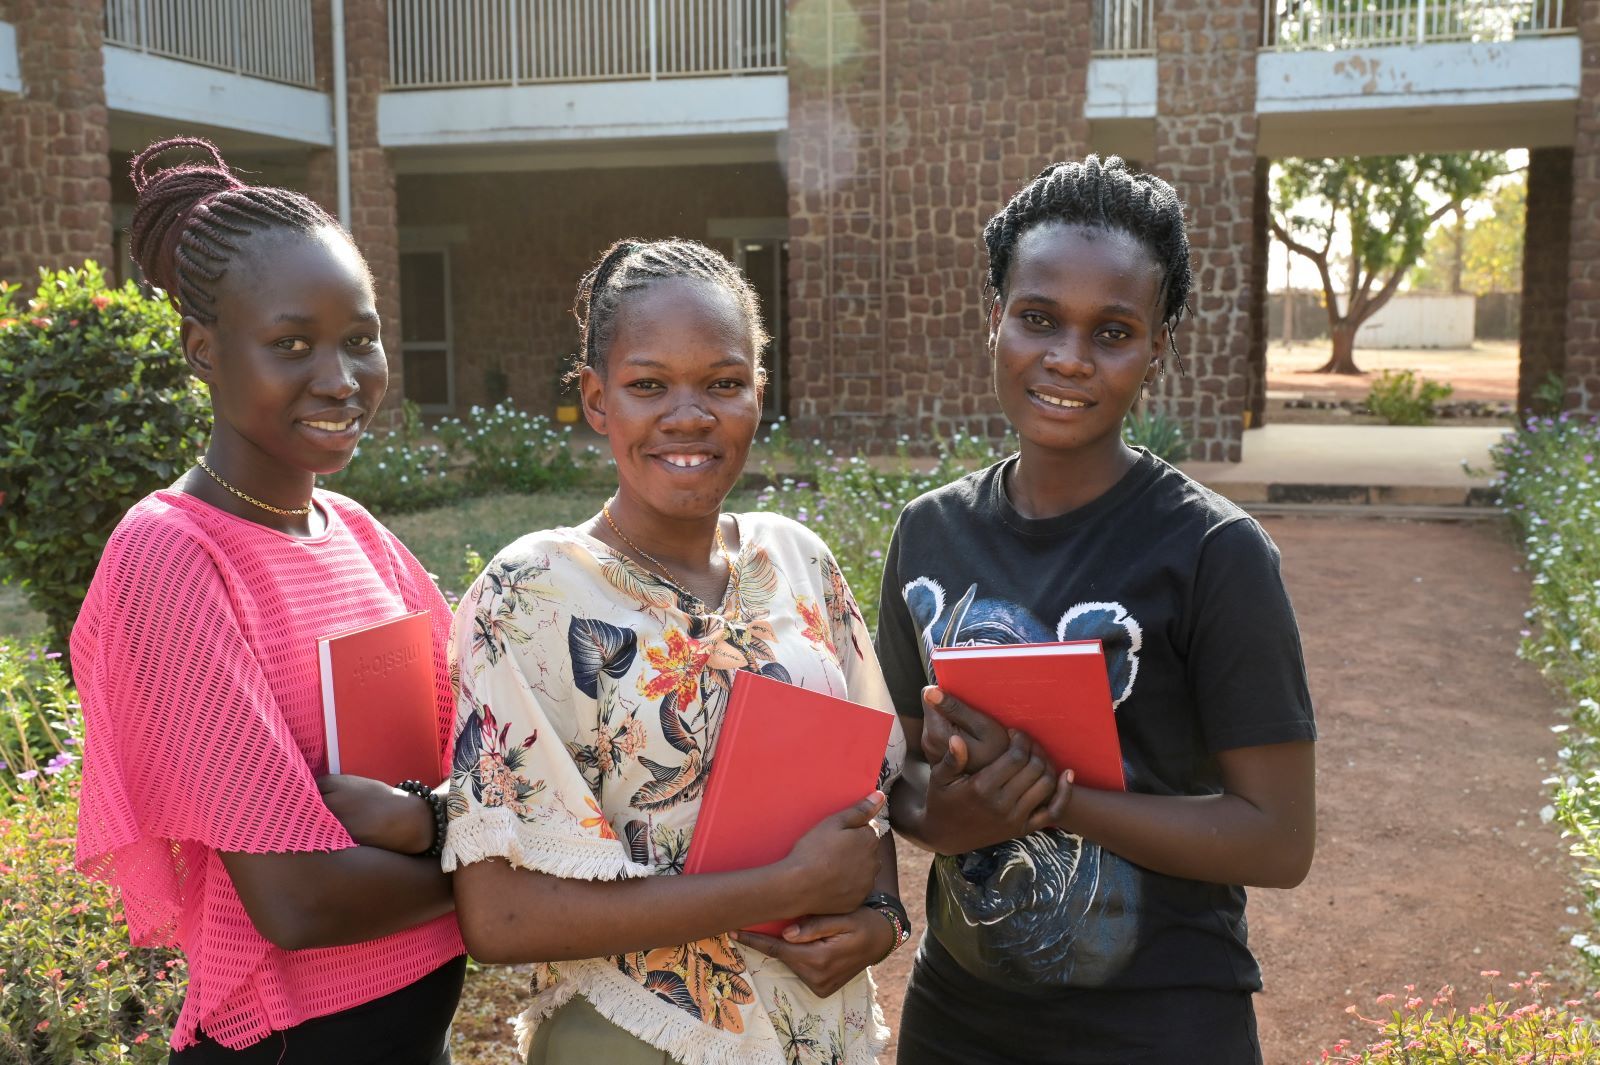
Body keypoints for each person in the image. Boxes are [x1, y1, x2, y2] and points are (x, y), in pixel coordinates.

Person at [878, 156, 1318, 1065]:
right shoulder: (929, 534)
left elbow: (1277, 839)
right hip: (957, 1019)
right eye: (1038, 318)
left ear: (1159, 346)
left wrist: (1059, 802)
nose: (1069, 358)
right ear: (993, 316)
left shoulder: (1213, 552)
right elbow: (891, 781)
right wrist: (950, 817)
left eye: (1112, 330)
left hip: (1161, 1023)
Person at [443, 238, 909, 1065]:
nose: (689, 415)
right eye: (648, 385)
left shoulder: (796, 559)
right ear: (596, 399)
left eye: (724, 383)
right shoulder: (533, 593)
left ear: (759, 392)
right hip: (640, 1037)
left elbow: (862, 784)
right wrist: (785, 887)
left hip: (813, 1027)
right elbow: (501, 915)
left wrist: (879, 917)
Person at [72, 137, 466, 1063]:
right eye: (292, 344)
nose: (341, 379)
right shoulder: (175, 554)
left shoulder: (359, 532)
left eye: (360, 339)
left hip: (421, 1030)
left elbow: (497, 756)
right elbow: (300, 900)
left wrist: (426, 822)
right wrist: (496, 852)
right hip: (292, 1045)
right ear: (201, 349)